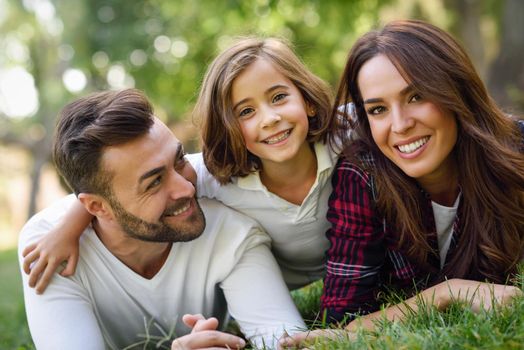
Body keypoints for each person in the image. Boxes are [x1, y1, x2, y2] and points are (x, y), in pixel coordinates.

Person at [22, 37, 345, 291]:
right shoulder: (216, 175)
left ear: (306, 98)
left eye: (278, 98)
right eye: (246, 112)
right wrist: (67, 230)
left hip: (359, 269)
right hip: (270, 282)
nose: (270, 119)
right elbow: (112, 190)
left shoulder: (346, 137)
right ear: (226, 127)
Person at [280, 19, 523, 347]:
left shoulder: (515, 149)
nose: (400, 125)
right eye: (378, 109)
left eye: (416, 96)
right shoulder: (363, 176)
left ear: (455, 88)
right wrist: (446, 292)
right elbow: (340, 321)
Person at [18, 89, 305, 350]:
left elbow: (284, 340)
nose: (187, 188)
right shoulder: (48, 247)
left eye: (179, 159)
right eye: (154, 182)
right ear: (96, 206)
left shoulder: (230, 230)